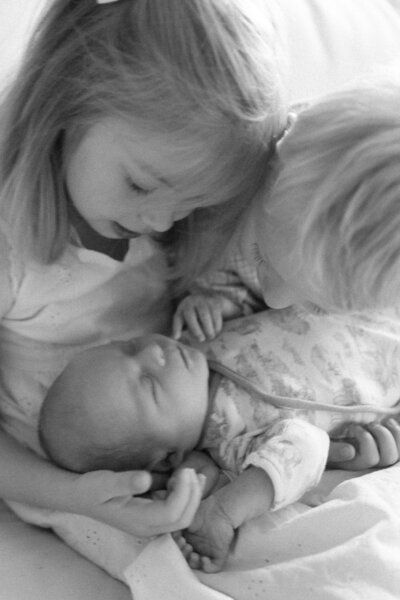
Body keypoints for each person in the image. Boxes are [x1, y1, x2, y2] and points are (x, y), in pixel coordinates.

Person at [0, 0, 289, 537]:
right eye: (142, 185)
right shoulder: (11, 248)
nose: (160, 219)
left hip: (206, 449)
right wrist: (76, 496)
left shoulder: (171, 225)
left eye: (190, 204)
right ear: (62, 104)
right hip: (60, 487)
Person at [39, 308, 400, 572]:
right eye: (149, 384)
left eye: (130, 347)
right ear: (168, 458)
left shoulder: (199, 335)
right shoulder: (233, 446)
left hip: (365, 299)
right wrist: (225, 508)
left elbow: (254, 291)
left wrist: (212, 301)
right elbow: (305, 448)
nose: (153, 352)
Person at [172, 75, 400, 340]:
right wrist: (205, 296)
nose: (274, 301)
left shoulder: (378, 281)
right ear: (271, 163)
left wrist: (227, 305)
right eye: (261, 256)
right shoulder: (239, 175)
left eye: (318, 308)